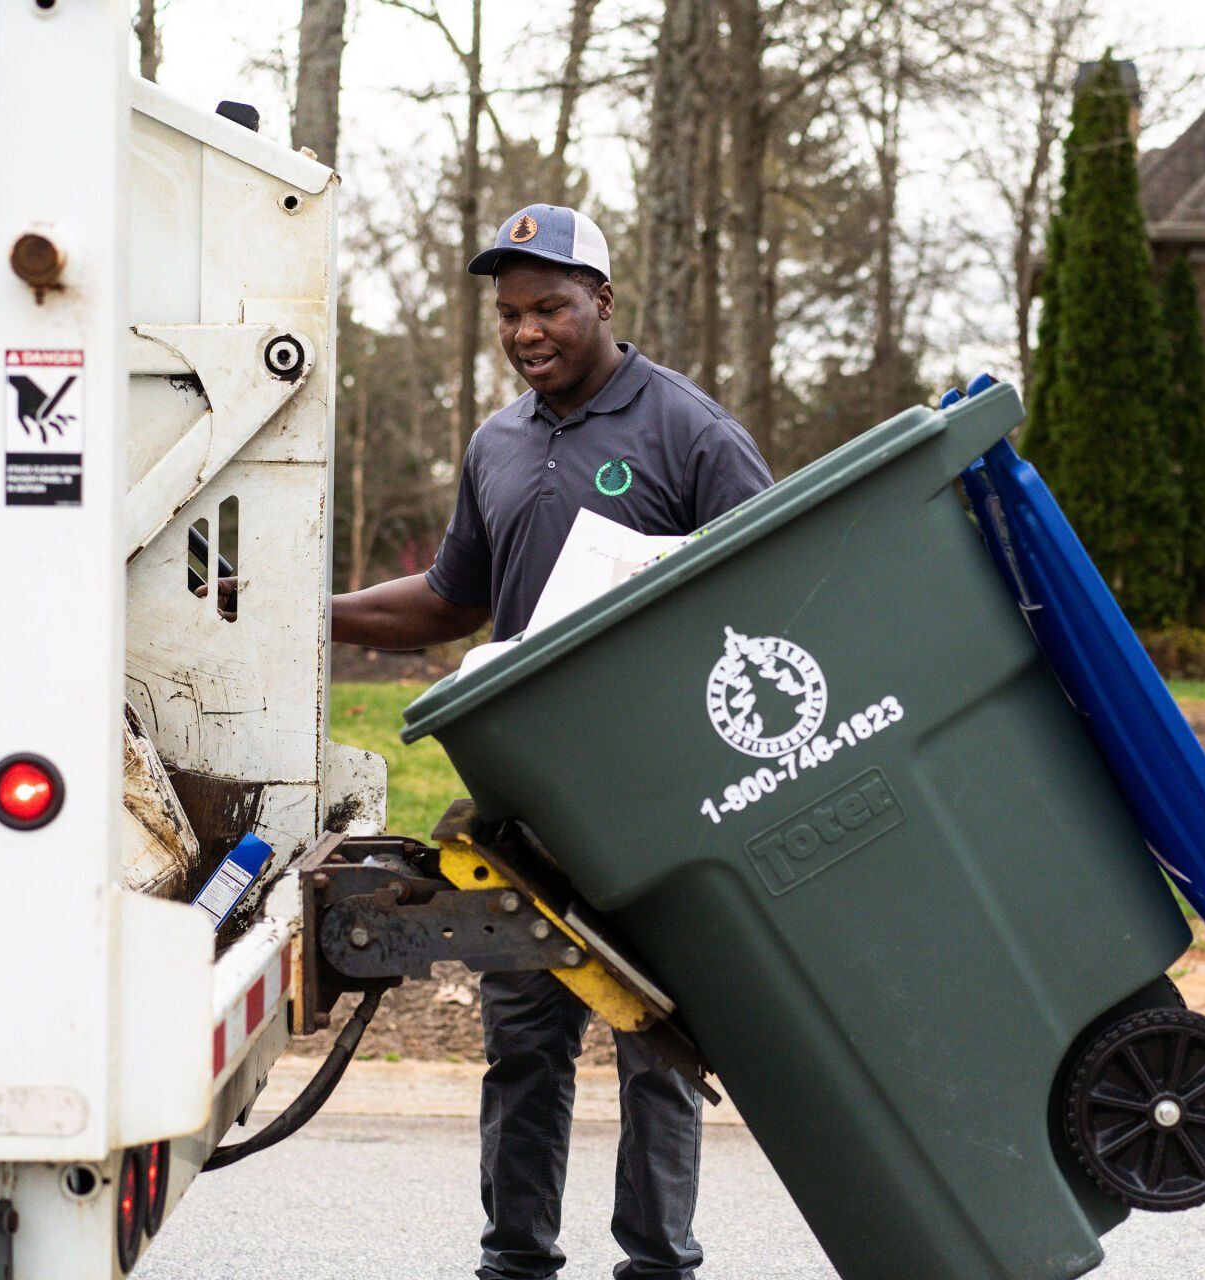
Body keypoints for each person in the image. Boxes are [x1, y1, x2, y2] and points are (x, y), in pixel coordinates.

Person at [330, 203, 771, 1280]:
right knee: (524, 1043)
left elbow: (769, 590)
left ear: (603, 302)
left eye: (551, 307)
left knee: (657, 1048)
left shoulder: (689, 432)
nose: (527, 331)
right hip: (527, 806)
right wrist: (313, 612)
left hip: (662, 804)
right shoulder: (498, 441)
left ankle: (658, 1263)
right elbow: (453, 599)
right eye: (510, 313)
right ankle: (515, 1259)